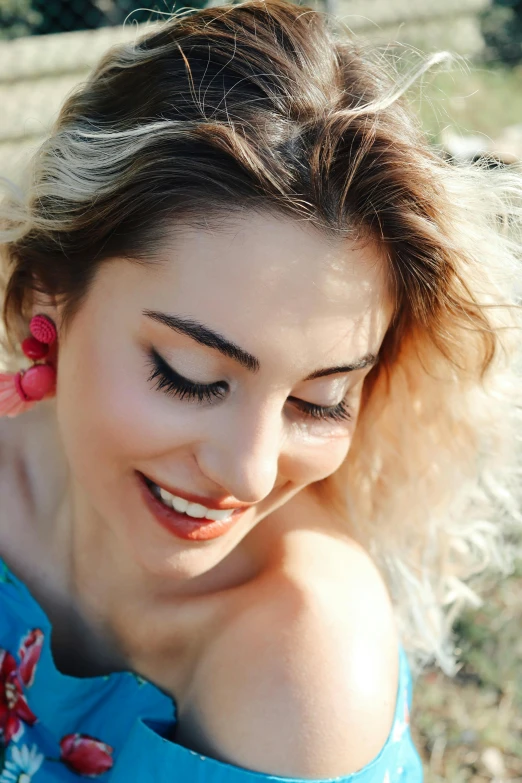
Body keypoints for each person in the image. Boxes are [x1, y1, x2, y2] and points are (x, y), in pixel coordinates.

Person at [0, 1, 520, 780]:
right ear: (49, 299)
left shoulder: (305, 664)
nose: (248, 473)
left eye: (320, 401)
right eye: (190, 375)